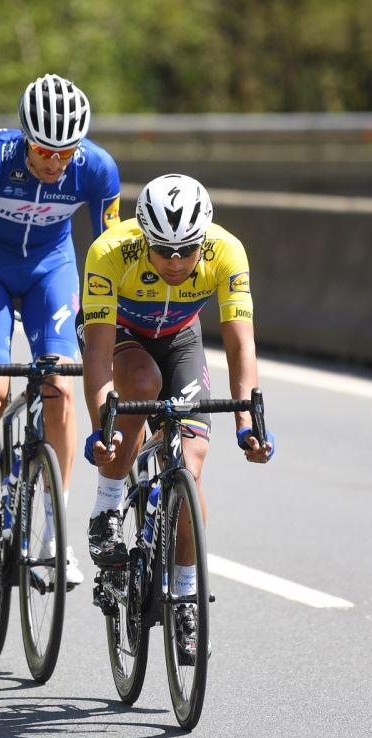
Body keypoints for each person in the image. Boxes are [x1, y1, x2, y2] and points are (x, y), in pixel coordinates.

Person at [81, 173, 274, 661]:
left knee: (190, 464)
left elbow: (240, 343)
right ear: (143, 236)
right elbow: (98, 356)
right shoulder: (110, 251)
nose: (174, 261)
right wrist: (101, 426)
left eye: (186, 250)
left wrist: (247, 423)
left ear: (202, 240)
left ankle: (186, 597)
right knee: (141, 382)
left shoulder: (227, 251)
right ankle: (106, 509)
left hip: (180, 337)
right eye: (162, 250)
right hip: (119, 332)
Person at [0, 74, 121, 586]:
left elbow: (115, 262)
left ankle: (54, 531)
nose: (55, 162)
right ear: (26, 137)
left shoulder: (97, 168)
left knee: (60, 388)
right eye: (45, 150)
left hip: (52, 269)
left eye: (66, 152)